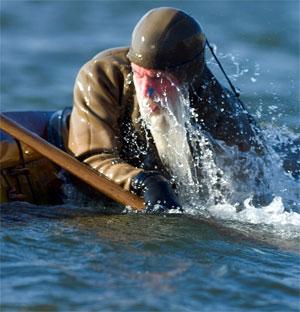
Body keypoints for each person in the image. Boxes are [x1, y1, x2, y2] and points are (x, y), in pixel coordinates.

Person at [67, 7, 262, 213]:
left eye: (158, 79)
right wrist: (145, 182)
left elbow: (247, 184)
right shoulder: (101, 75)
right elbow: (88, 160)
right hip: (74, 140)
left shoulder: (221, 109)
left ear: (186, 77)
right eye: (139, 74)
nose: (146, 91)